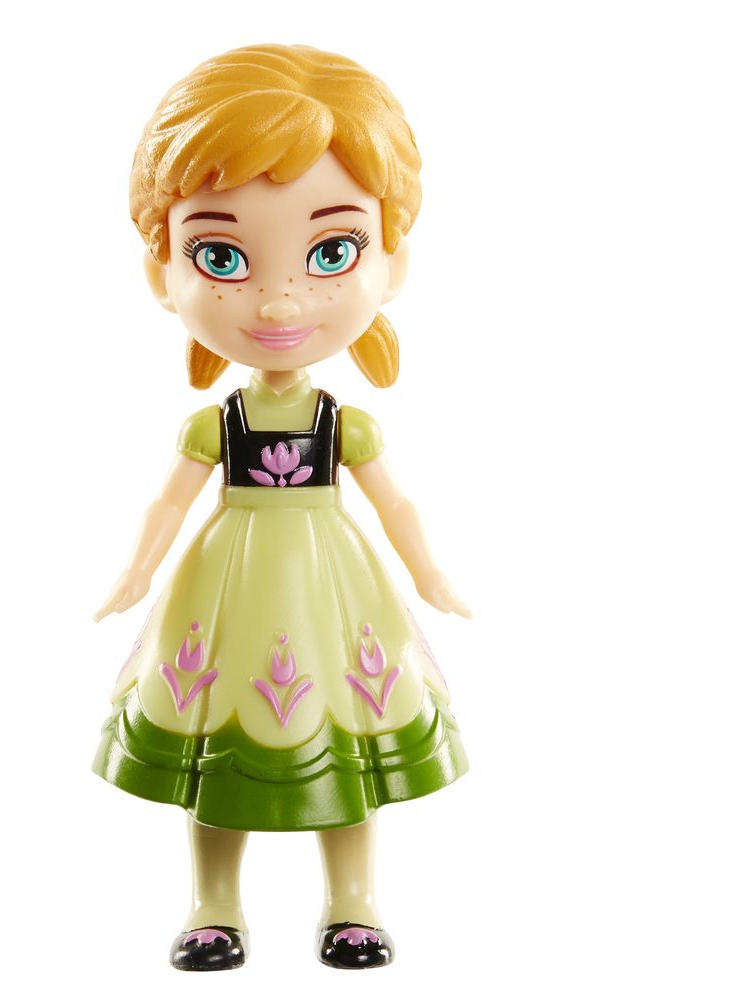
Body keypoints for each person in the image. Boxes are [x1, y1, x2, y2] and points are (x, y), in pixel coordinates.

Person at [92, 43, 471, 971]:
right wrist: (136, 572)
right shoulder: (213, 423)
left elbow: (395, 503)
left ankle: (354, 903)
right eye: (220, 256)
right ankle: (213, 905)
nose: (277, 300)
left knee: (347, 751)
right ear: (162, 271)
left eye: (332, 251)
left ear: (392, 258)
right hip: (228, 584)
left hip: (330, 583)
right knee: (213, 755)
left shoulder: (346, 423)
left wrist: (430, 575)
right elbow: (168, 502)